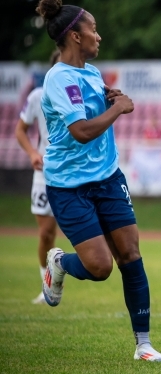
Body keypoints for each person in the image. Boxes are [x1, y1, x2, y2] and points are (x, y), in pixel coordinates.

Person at [35, 0, 161, 361]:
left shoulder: (91, 74)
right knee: (99, 267)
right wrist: (120, 109)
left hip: (108, 178)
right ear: (75, 36)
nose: (98, 35)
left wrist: (113, 100)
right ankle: (60, 264)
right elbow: (79, 131)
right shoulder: (58, 79)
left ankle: (143, 345)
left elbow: (99, 111)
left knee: (131, 254)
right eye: (93, 28)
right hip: (68, 185)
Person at [14, 49, 61, 304]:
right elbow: (20, 130)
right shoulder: (37, 97)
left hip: (74, 173)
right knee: (46, 233)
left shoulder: (79, 96)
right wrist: (32, 152)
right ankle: (47, 284)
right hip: (45, 173)